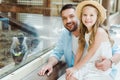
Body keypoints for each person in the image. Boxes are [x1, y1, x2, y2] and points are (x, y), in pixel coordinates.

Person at [38, 4, 120, 79]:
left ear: (78, 17)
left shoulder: (98, 32)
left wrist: (110, 61)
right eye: (64, 18)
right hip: (82, 68)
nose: (68, 21)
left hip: (100, 71)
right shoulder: (65, 34)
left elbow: (117, 52)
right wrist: (50, 64)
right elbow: (57, 53)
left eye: (71, 16)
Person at [65, 1, 115, 80]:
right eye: (85, 15)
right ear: (81, 16)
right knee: (70, 76)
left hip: (100, 67)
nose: (88, 18)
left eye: (91, 15)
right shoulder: (85, 31)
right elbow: (80, 50)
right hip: (91, 63)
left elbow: (91, 52)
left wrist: (76, 68)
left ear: (97, 17)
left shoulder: (100, 31)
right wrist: (74, 68)